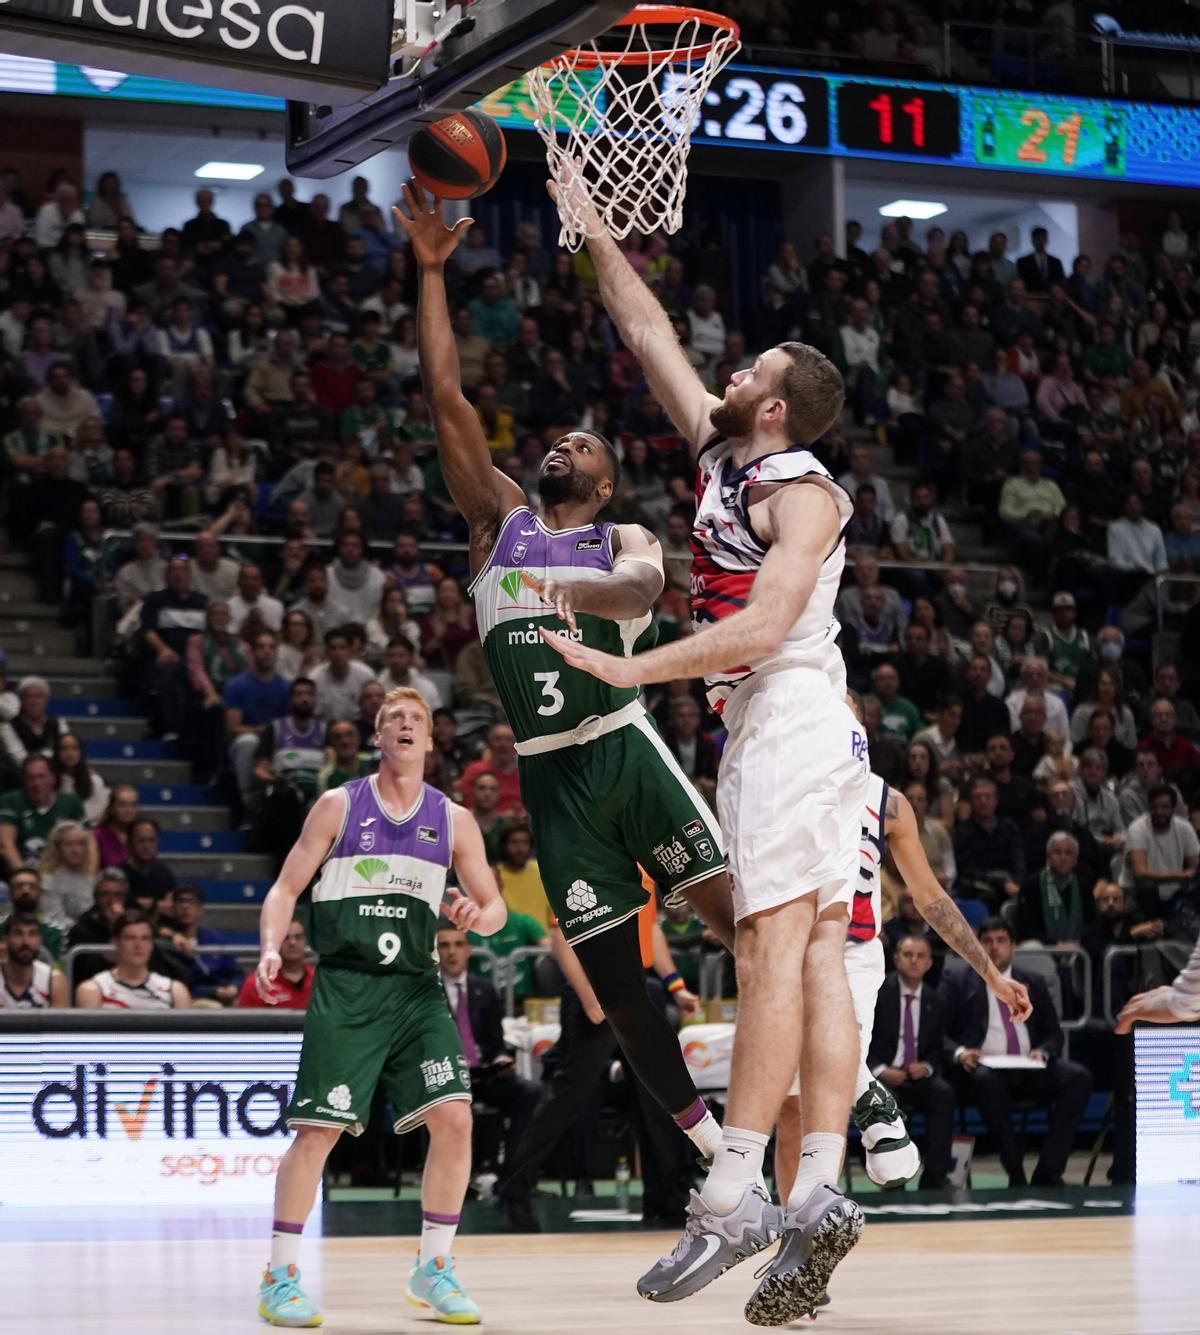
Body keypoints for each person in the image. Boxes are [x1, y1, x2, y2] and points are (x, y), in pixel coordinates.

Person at [531, 171, 864, 1323]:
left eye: (750, 371)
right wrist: (582, 204)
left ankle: (730, 1193)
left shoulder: (801, 491)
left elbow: (769, 624)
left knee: (771, 944)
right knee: (814, 946)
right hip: (786, 723)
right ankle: (817, 1185)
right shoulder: (729, 457)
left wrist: (630, 667)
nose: (728, 373)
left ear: (777, 406)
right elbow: (644, 325)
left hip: (791, 711)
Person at [395, 181, 735, 1238]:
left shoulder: (623, 535)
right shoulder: (497, 520)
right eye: (558, 440)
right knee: (616, 989)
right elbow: (447, 397)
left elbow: (644, 591)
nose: (565, 446)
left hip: (623, 746)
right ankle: (713, 1145)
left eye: (586, 444)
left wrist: (581, 593)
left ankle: (844, 1095)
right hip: (551, 773)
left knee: (743, 928)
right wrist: (433, 270)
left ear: (610, 472)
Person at [250, 687, 507, 1327]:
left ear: (429, 739)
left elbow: (498, 909)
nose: (405, 724)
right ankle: (279, 1276)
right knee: (318, 1134)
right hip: (347, 985)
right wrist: (270, 947)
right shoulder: (339, 805)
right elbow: (285, 888)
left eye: (416, 719)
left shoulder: (453, 820)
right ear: (377, 737)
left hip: (416, 989)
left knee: (454, 1119)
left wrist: (479, 916)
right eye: (393, 718)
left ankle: (434, 1268)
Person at [775, 760, 1030, 1200]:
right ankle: (866, 1100)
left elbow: (930, 895)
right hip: (789, 945)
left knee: (825, 1100)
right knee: (792, 1108)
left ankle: (811, 1232)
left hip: (852, 951)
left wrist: (990, 974)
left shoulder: (888, 802)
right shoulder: (784, 777)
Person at [941, 917, 1094, 1186]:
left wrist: (1044, 1051)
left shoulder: (1031, 981)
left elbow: (1053, 1034)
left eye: (1001, 941)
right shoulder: (958, 980)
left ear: (1013, 947)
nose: (994, 947)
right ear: (977, 946)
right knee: (986, 1080)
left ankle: (1049, 1169)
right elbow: (937, 1034)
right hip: (982, 1072)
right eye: (987, 941)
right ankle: (1015, 1170)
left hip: (1029, 1068)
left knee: (1078, 1077)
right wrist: (961, 1052)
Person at [436, 923, 542, 1174]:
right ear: (435, 952)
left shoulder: (485, 989)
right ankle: (458, 1176)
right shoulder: (427, 993)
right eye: (444, 945)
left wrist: (503, 1059)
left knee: (531, 1092)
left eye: (459, 944)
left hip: (485, 1075)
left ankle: (514, 1174)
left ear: (469, 950)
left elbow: (496, 1044)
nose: (452, 952)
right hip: (446, 1077)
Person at [75, 909, 191, 1010]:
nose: (138, 945)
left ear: (152, 944)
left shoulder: (174, 991)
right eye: (130, 938)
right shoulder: (94, 989)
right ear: (115, 942)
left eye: (145, 939)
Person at [1122, 784, 1199, 926]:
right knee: (1147, 886)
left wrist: (1189, 875)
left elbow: (1195, 867)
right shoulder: (1137, 828)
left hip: (1174, 892)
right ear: (1149, 807)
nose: (1159, 812)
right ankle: (1151, 929)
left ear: (1174, 808)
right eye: (1154, 807)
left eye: (1164, 807)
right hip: (1138, 894)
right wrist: (1181, 875)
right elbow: (1140, 873)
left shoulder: (1184, 827)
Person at [0, 755, 85, 873]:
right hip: (20, 876)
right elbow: (5, 844)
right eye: (31, 778)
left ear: (53, 778)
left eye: (42, 776)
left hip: (62, 876)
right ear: (23, 781)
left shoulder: (70, 802)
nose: (37, 783)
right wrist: (27, 878)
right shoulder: (10, 801)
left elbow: (89, 842)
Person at [1017, 832, 1095, 945]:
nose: (1063, 858)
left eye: (1068, 853)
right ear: (1048, 858)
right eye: (1057, 852)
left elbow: (1092, 924)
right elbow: (1026, 929)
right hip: (1043, 949)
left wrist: (1077, 942)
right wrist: (1057, 945)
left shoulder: (1084, 886)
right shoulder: (1031, 885)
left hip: (1077, 948)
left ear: (1075, 860)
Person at [237, 919, 313, 1009]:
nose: (293, 942)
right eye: (285, 938)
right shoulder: (256, 984)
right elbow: (245, 1021)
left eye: (298, 937)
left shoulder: (320, 979)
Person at [0, 914, 66, 1008]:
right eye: (18, 934)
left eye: (32, 934)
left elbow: (60, 1022)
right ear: (6, 940)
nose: (26, 942)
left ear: (40, 941)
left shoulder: (53, 980)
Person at [123, 819, 176, 910]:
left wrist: (138, 902)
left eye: (152, 840)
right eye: (141, 840)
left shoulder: (165, 873)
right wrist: (158, 905)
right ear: (129, 843)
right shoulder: (119, 875)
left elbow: (171, 907)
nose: (146, 846)